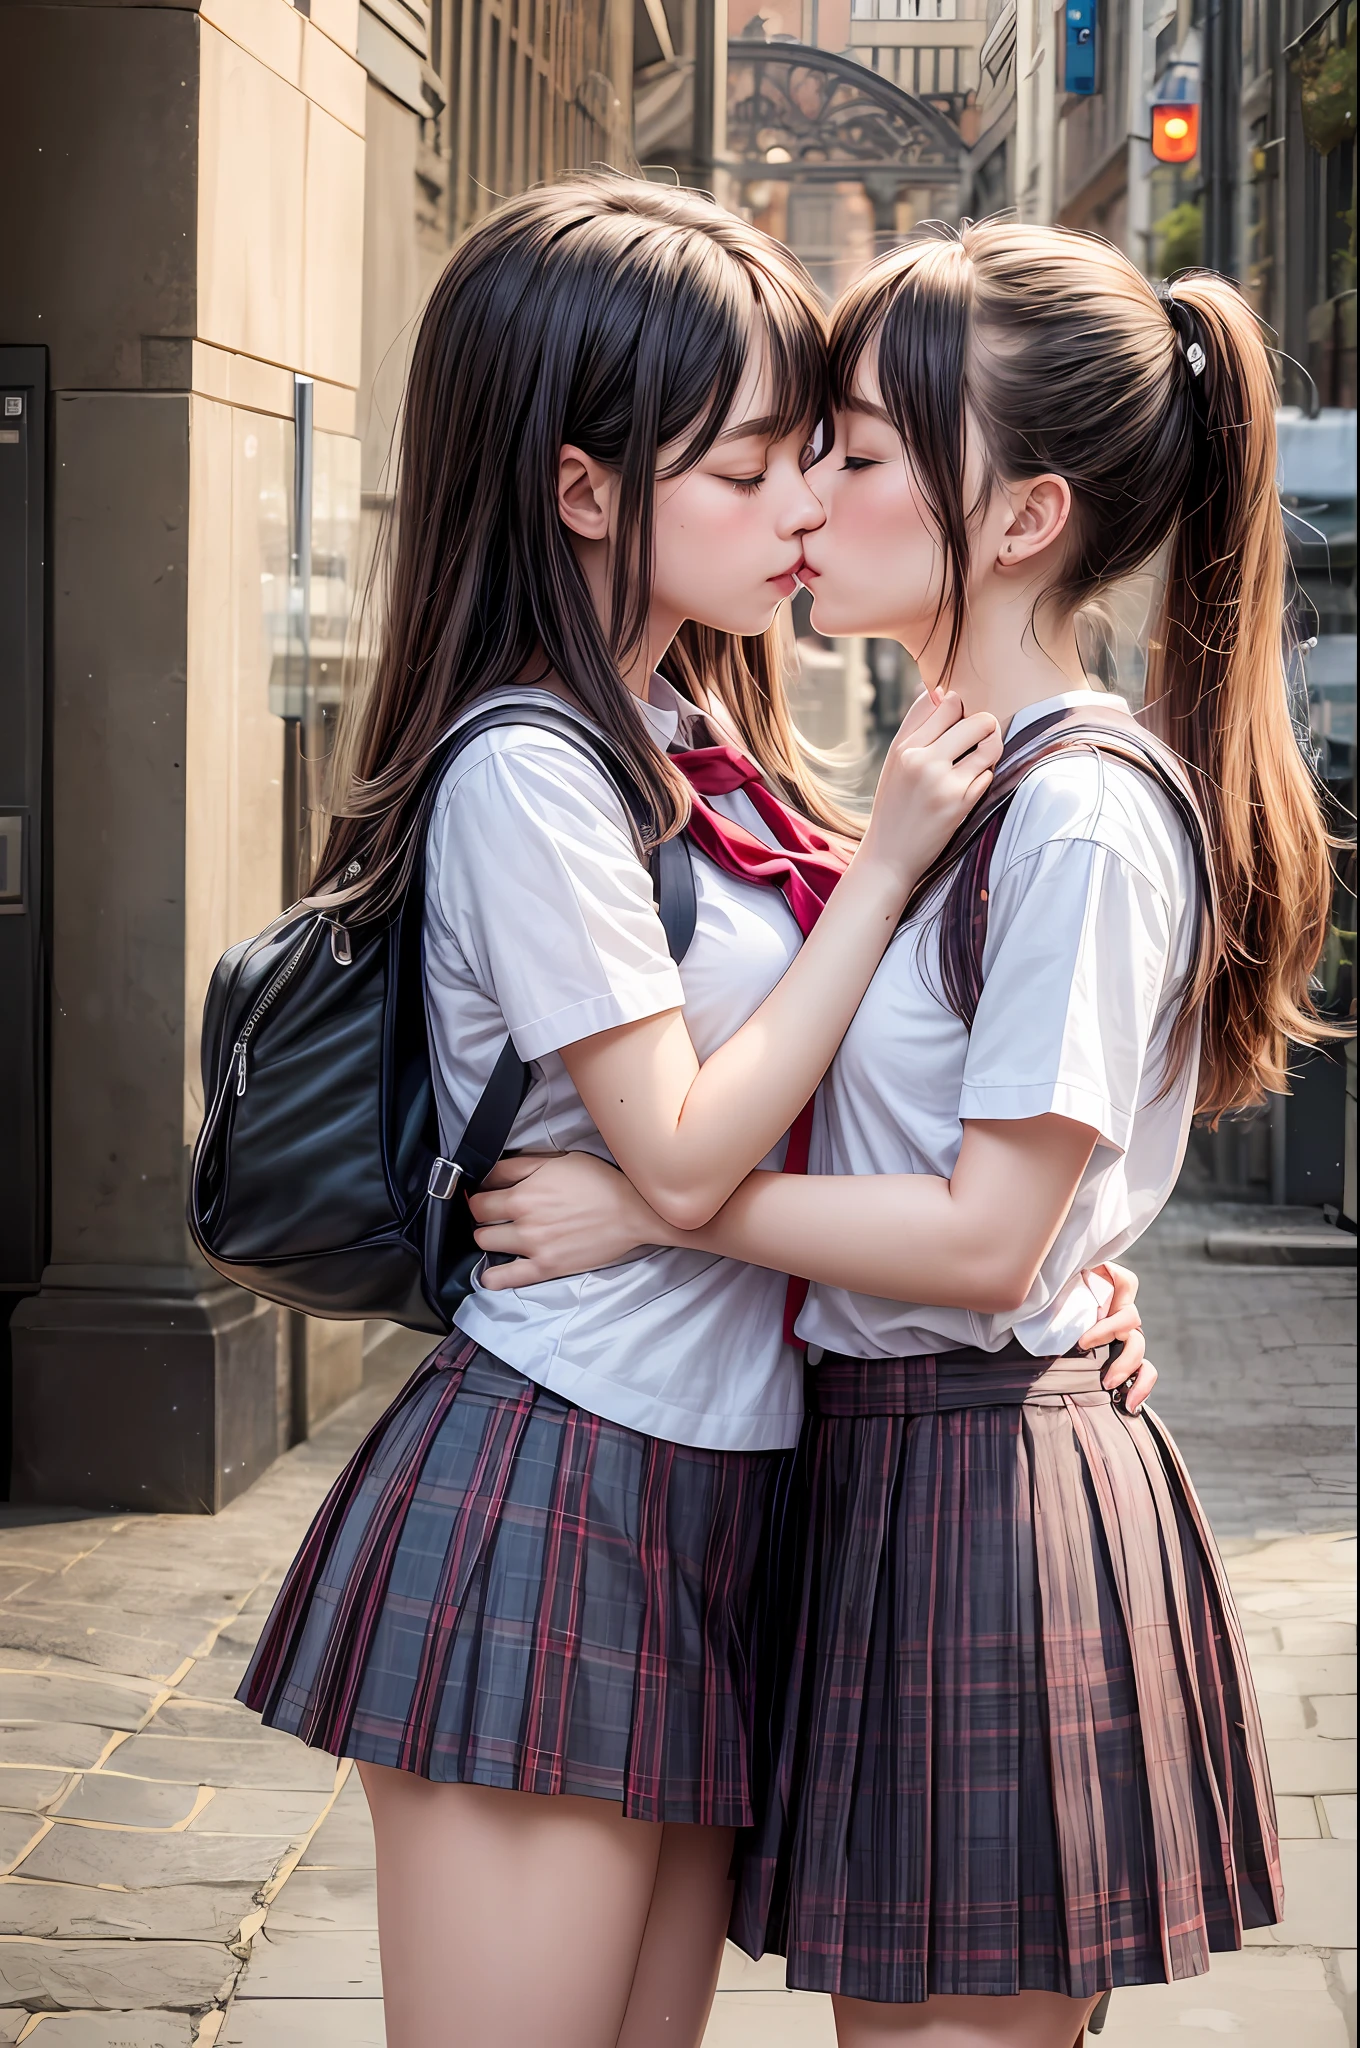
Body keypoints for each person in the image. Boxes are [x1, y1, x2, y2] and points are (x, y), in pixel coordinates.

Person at [468, 224, 1339, 2047]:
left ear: (1015, 518)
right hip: (887, 1470)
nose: (807, 493)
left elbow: (979, 1245)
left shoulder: (1077, 816)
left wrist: (658, 1206)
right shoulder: (945, 790)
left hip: (979, 1492)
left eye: (852, 450)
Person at [235, 176, 1046, 2048]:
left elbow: (799, 1120)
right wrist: (890, 862)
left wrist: (1045, 1264)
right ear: (586, 489)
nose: (807, 508)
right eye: (754, 468)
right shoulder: (530, 766)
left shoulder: (695, 738)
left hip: (717, 1486)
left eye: (813, 462)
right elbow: (681, 1142)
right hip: (558, 1477)